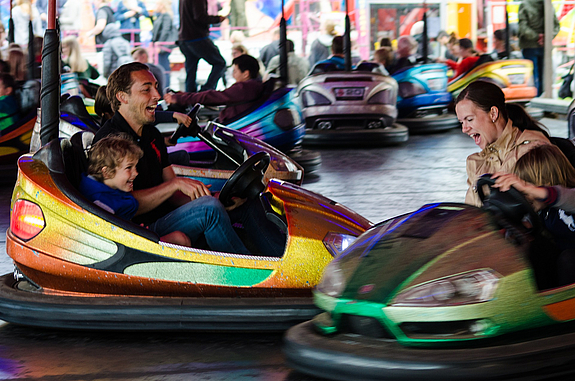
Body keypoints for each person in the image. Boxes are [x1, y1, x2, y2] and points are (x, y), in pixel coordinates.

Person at [93, 62, 285, 256]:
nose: (157, 96)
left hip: (166, 216)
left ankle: (282, 263)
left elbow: (174, 193)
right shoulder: (109, 141)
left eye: (156, 87)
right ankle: (252, 276)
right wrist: (177, 186)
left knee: (246, 202)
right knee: (209, 210)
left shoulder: (152, 135)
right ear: (122, 97)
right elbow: (121, 205)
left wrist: (215, 198)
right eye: (146, 89)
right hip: (138, 231)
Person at [80, 135, 191, 247]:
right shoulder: (100, 203)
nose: (136, 173)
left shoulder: (109, 188)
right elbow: (111, 239)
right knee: (181, 240)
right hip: (127, 249)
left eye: (135, 167)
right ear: (106, 172)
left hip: (133, 236)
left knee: (179, 237)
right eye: (129, 168)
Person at [455, 80, 551, 207]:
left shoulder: (532, 150)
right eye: (462, 122)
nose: (464, 129)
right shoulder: (476, 162)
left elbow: (541, 212)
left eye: (469, 119)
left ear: (493, 114)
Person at [492, 145, 575, 287]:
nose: (526, 196)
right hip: (561, 268)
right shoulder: (543, 211)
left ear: (547, 184)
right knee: (531, 246)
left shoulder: (567, 199)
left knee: (569, 259)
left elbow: (568, 198)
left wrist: (532, 190)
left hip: (570, 263)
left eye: (528, 190)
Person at [164, 54, 263, 124]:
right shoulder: (253, 86)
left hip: (232, 129)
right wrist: (184, 95)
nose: (233, 75)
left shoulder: (245, 88)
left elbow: (212, 97)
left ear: (246, 74)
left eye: (235, 71)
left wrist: (179, 99)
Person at [178, 0, 227, 93]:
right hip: (197, 38)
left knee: (191, 72)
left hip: (184, 39)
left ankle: (190, 98)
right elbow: (200, 17)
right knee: (220, 63)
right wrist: (217, 19)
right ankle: (206, 92)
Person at [518, 0, 559, 96]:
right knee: (544, 75)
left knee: (532, 75)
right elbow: (556, 25)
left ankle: (534, 97)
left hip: (529, 45)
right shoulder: (548, 5)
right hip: (545, 46)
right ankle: (542, 96)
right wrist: (546, 37)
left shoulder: (525, 4)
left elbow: (523, 27)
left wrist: (537, 37)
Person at [151, 0, 176, 88]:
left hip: (163, 46)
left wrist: (160, 44)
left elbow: (165, 31)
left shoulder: (166, 16)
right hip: (161, 45)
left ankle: (165, 87)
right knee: (162, 67)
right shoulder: (160, 16)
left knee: (164, 68)